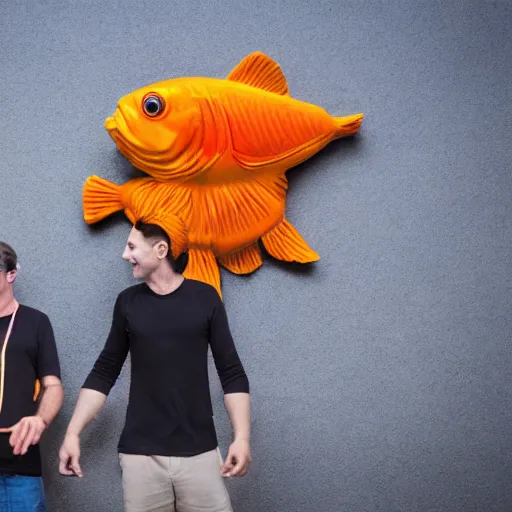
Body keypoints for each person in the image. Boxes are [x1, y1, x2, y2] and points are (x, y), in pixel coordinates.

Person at [59, 221, 251, 512]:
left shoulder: (205, 298)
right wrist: (72, 434)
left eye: (132, 246)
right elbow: (104, 370)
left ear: (161, 250)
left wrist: (242, 438)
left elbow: (232, 372)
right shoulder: (127, 303)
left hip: (199, 453)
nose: (125, 254)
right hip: (141, 457)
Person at [0, 241, 64, 511]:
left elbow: (53, 386)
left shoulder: (36, 322)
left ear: (11, 274)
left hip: (19, 469)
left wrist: (41, 419)